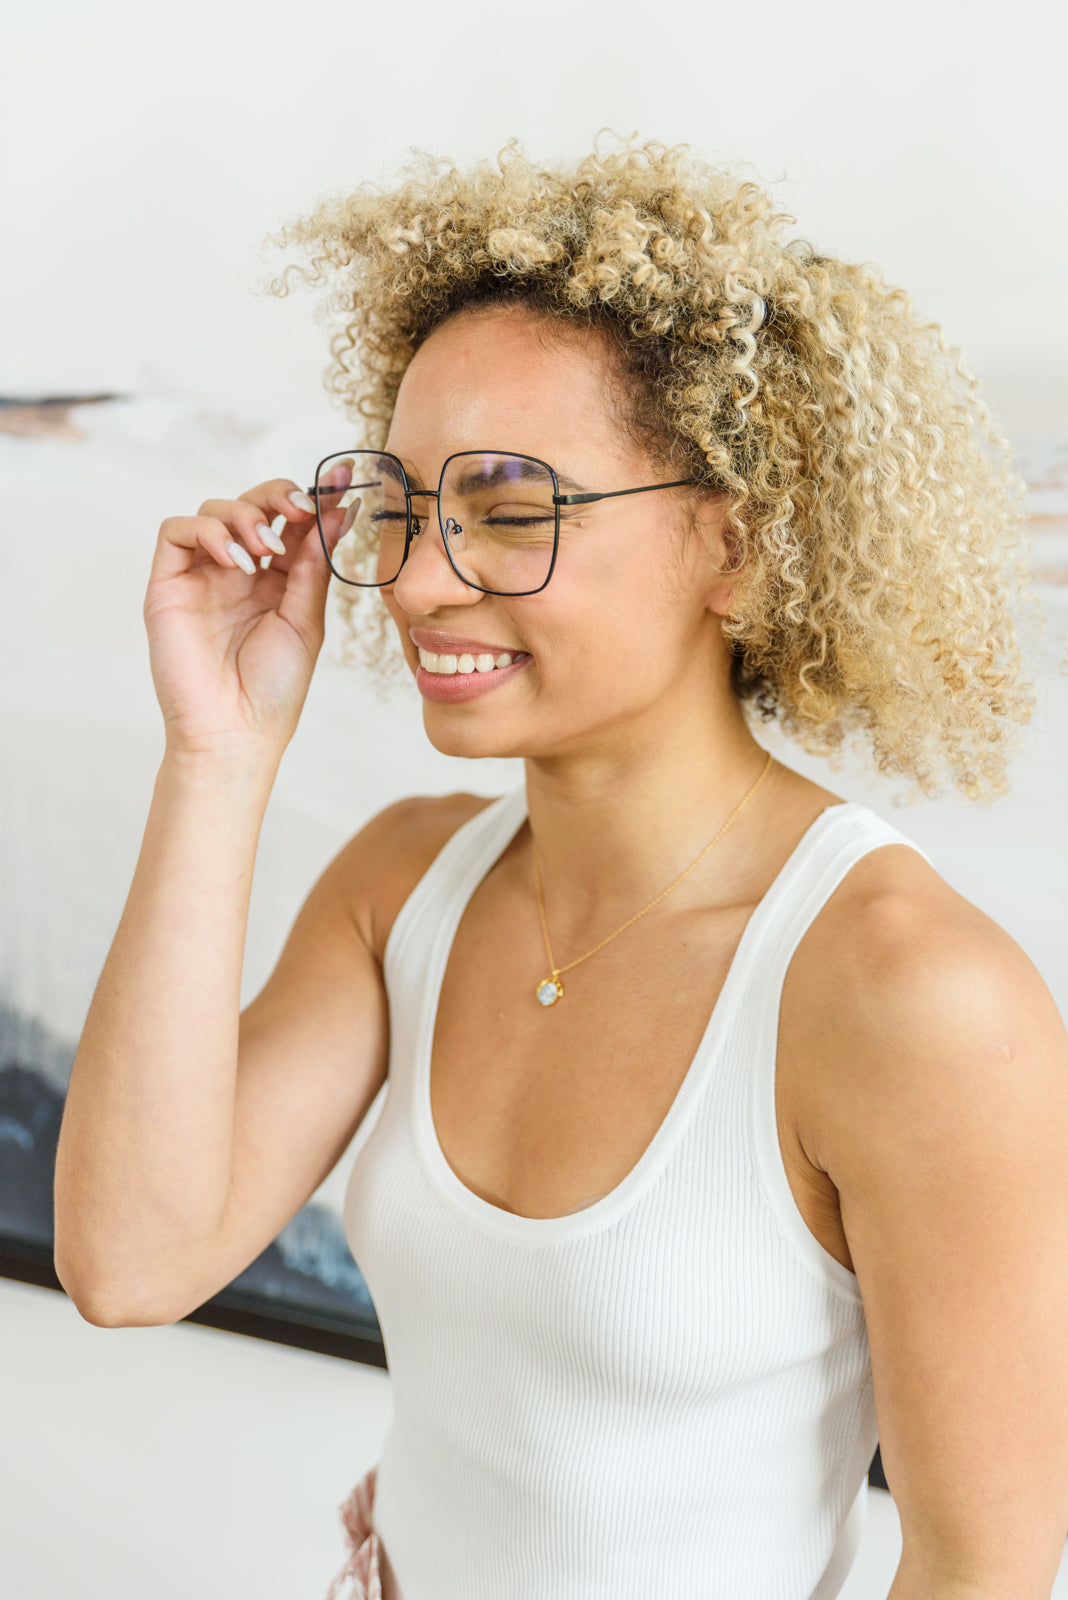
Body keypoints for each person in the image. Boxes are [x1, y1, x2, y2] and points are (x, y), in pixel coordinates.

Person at [54, 140, 1068, 1599]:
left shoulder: (909, 993)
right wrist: (216, 759)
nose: (414, 577)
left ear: (735, 544)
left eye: (512, 509)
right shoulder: (403, 886)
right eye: (404, 504)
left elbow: (981, 1569)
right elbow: (130, 1263)